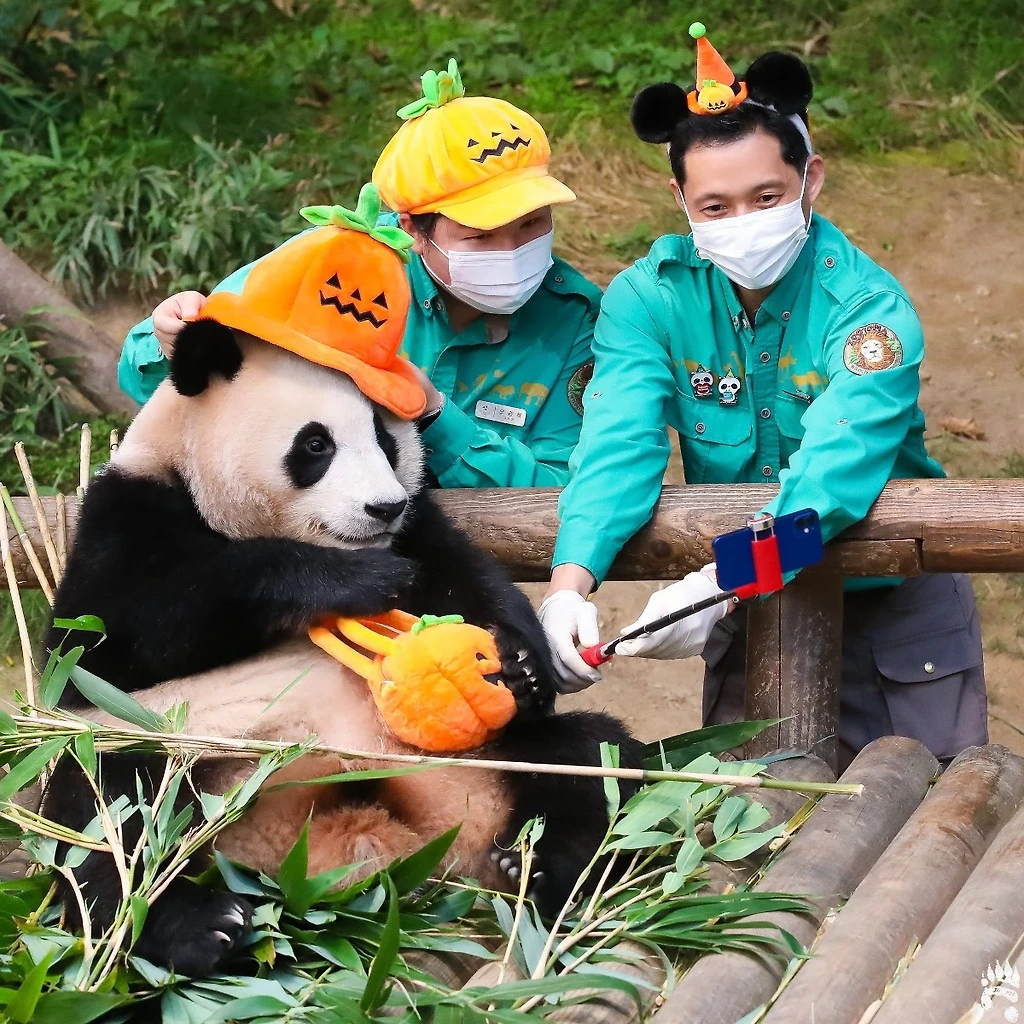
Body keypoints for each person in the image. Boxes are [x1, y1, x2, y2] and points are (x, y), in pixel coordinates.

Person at [538, 26, 986, 768]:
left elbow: (839, 470)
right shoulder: (648, 299)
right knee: (750, 816)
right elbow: (619, 439)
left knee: (931, 808)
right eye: (714, 206)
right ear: (680, 199)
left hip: (891, 607)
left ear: (811, 179)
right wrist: (568, 583)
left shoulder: (867, 309)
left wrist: (727, 578)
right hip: (748, 612)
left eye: (766, 196)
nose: (743, 223)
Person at [117, 59, 600, 488]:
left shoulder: (577, 317)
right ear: (411, 229)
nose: (512, 251)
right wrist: (171, 342)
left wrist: (434, 416)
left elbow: (563, 488)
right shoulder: (336, 266)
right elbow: (147, 380)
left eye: (532, 224)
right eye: (481, 237)